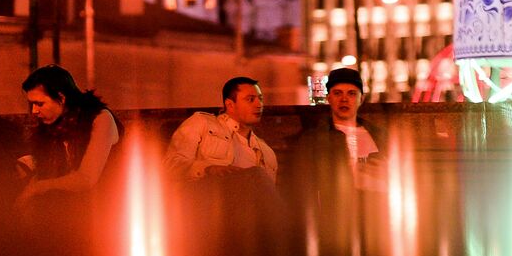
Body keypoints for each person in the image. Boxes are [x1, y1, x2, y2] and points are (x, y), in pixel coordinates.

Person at [16, 64, 119, 210]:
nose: (34, 111)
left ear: (61, 98)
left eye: (39, 103)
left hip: (108, 207)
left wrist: (39, 187)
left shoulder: (101, 119)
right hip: (71, 209)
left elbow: (86, 179)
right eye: (32, 104)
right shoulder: (54, 124)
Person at [164, 76, 277, 185]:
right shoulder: (202, 123)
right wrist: (209, 169)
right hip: (207, 198)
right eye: (250, 99)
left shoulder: (267, 152)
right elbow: (172, 165)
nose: (259, 105)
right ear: (230, 104)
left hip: (249, 202)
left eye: (261, 99)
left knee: (258, 175)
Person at [291, 67, 385, 196]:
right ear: (329, 98)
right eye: (337, 93)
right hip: (339, 207)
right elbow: (301, 187)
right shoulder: (314, 139)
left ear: (361, 99)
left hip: (378, 204)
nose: (344, 99)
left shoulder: (379, 135)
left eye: (351, 93)